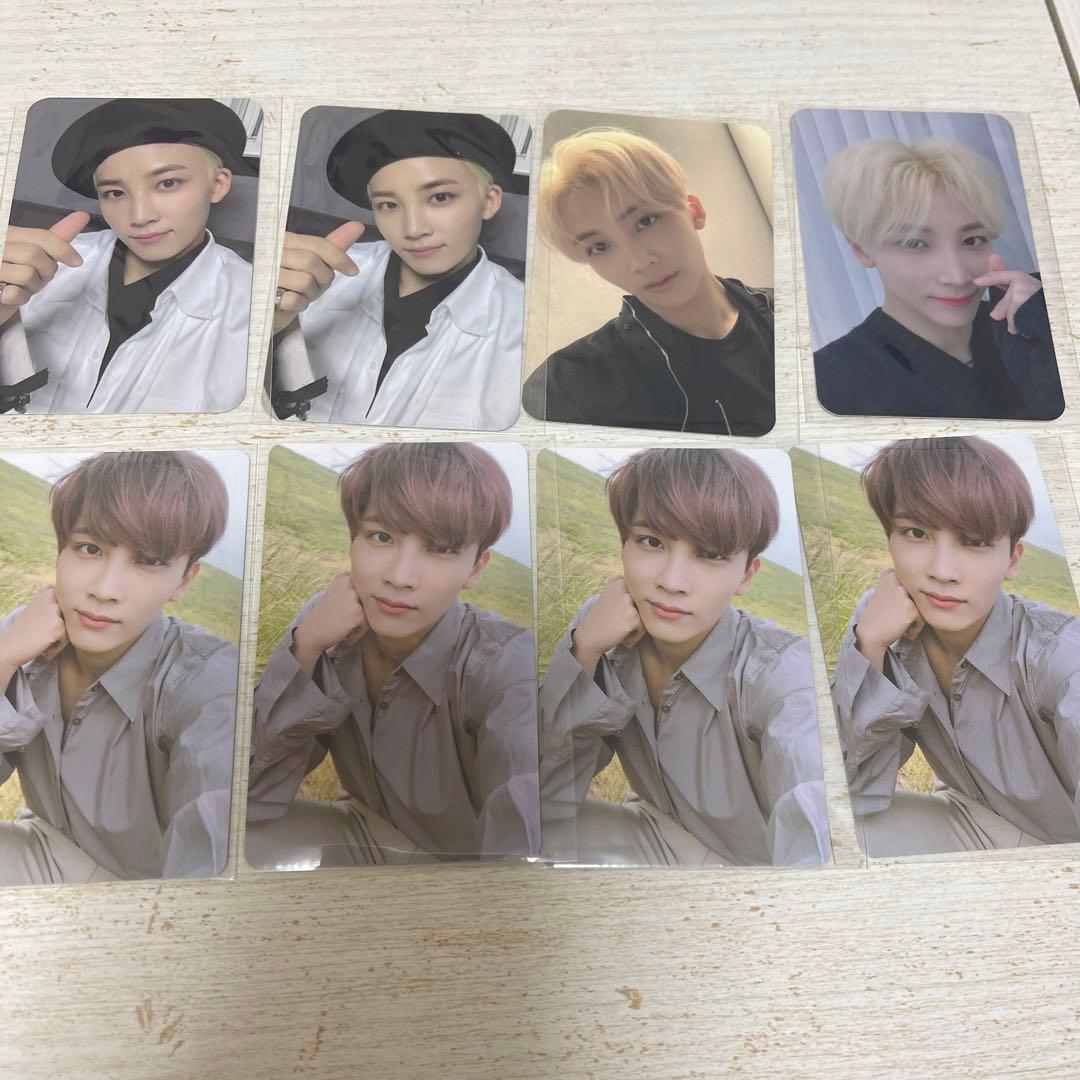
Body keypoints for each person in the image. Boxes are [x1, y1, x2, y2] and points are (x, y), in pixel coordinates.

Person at [246, 442, 538, 866]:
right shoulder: (325, 624)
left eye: (441, 548)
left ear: (475, 568)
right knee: (222, 834)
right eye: (381, 537)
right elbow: (249, 794)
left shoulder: (505, 665)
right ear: (352, 541)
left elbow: (519, 854)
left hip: (466, 872)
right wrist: (305, 647)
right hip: (365, 833)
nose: (400, 577)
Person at [540, 448, 829, 866]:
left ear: (747, 575)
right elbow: (542, 799)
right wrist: (584, 652)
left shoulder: (781, 671)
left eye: (710, 555)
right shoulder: (601, 627)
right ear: (624, 545)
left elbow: (815, 820)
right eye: (651, 542)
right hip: (659, 838)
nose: (672, 582)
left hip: (760, 874)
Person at [831, 437, 1080, 856]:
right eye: (916, 533)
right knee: (815, 824)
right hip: (969, 821)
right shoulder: (881, 623)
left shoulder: (1060, 656)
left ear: (1012, 559)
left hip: (1061, 853)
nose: (942, 571)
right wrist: (868, 646)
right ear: (890, 539)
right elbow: (851, 787)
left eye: (975, 541)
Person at [0, 451, 238, 884]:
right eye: (90, 548)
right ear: (60, 549)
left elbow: (210, 859)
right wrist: (3, 659)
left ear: (184, 580)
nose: (105, 590)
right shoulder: (24, 635)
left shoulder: (207, 681)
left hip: (143, 894)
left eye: (149, 560)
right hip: (45, 847)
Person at [270, 110, 525, 429]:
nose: (413, 229)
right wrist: (270, 327)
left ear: (488, 201)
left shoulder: (524, 325)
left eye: (440, 197)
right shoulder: (309, 273)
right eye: (389, 205)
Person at [0, 98, 255, 414]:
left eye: (167, 183)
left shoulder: (255, 303)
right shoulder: (39, 265)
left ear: (217, 185)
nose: (140, 216)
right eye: (115, 193)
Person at [521, 128, 775, 436]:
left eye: (646, 221)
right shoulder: (567, 388)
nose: (639, 261)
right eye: (599, 246)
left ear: (694, 211)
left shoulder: (791, 316)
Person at [811, 138, 1064, 420]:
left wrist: (1056, 332)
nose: (956, 276)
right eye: (914, 243)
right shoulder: (827, 384)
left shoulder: (1036, 326)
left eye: (972, 240)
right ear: (861, 249)